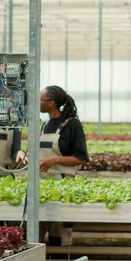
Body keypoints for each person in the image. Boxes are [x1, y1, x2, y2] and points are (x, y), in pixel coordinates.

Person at [39, 85, 89, 246]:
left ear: (51, 103)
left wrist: (54, 160)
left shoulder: (71, 125)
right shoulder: (45, 125)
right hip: (43, 185)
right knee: (39, 227)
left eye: (41, 99)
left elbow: (81, 158)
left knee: (59, 231)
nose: (37, 102)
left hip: (62, 185)